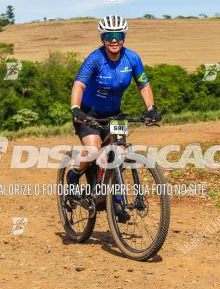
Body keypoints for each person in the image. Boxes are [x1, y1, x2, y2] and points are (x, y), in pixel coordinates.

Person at [67, 15, 161, 218]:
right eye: (109, 35)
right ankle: (73, 176)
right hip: (90, 114)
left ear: (124, 37)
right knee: (93, 150)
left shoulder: (132, 58)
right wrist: (76, 108)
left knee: (118, 154)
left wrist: (151, 108)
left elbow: (143, 85)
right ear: (102, 38)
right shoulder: (95, 58)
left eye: (118, 35)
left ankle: (116, 200)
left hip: (114, 116)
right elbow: (79, 84)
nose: (114, 39)